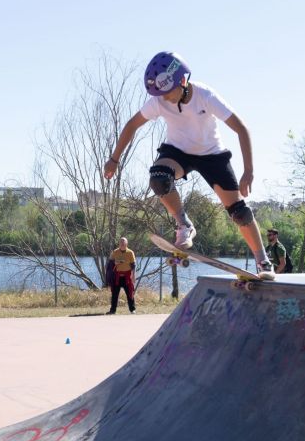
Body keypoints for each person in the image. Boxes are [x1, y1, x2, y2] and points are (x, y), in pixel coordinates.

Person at [103, 51, 275, 280]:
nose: (165, 99)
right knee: (159, 177)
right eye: (160, 95)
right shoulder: (158, 101)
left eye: (167, 92)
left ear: (183, 81)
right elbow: (132, 125)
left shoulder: (206, 96)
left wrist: (249, 171)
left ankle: (263, 261)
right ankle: (184, 225)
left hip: (212, 155)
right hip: (178, 153)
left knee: (240, 213)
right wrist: (114, 159)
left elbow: (241, 129)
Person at [108, 237, 137, 314]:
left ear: (126, 244)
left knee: (130, 293)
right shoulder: (115, 252)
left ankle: (132, 309)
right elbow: (110, 263)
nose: (122, 244)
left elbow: (133, 265)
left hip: (127, 276)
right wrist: (114, 263)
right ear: (119, 244)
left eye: (123, 243)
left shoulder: (130, 252)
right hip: (117, 276)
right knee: (114, 294)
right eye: (121, 243)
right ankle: (112, 310)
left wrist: (134, 275)